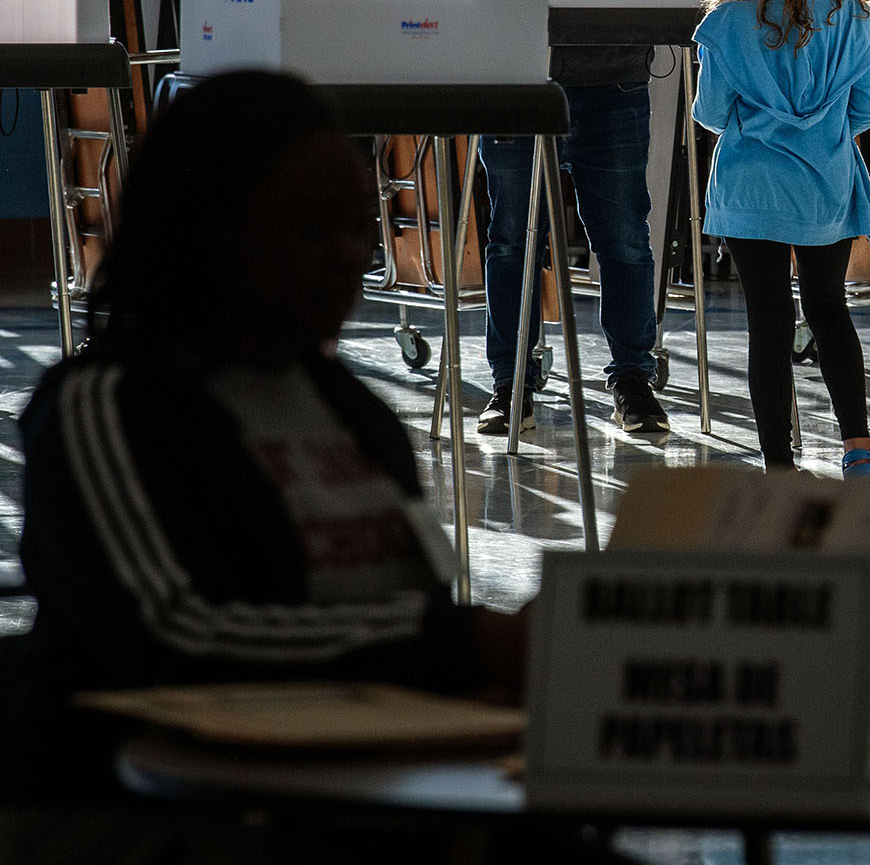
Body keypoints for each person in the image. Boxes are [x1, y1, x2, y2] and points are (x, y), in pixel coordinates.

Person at [9, 72, 523, 789]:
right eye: (312, 228)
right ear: (208, 230)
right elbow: (178, 632)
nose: (347, 257)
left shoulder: (354, 412)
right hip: (144, 800)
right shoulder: (105, 408)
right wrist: (467, 645)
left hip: (355, 785)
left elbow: (411, 610)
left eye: (359, 232)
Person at [474, 0, 669, 437]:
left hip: (608, 72)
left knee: (620, 237)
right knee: (507, 238)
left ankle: (633, 382)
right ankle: (512, 384)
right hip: (515, 75)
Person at [691, 0, 870, 477]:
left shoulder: (726, 21)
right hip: (825, 184)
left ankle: (778, 459)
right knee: (831, 309)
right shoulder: (854, 15)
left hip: (753, 188)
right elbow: (869, 109)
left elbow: (711, 113)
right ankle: (858, 448)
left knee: (768, 320)